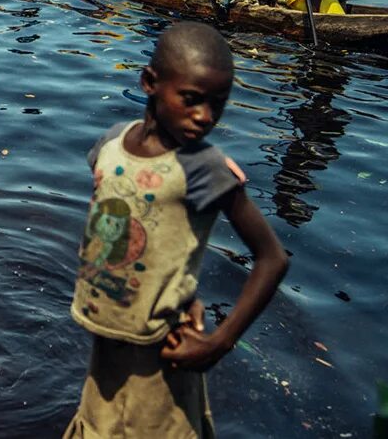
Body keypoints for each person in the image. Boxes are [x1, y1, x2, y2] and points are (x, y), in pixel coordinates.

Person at [65, 22, 287, 437]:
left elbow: (272, 258)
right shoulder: (112, 143)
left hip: (163, 349)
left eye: (217, 105)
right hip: (107, 335)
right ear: (150, 82)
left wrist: (219, 342)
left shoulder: (204, 168)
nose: (205, 117)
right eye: (191, 100)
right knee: (98, 424)